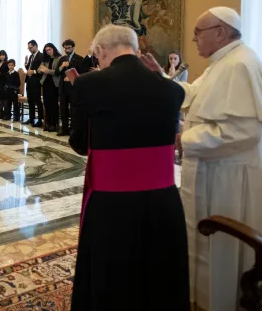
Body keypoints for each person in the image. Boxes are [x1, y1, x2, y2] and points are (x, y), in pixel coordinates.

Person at [141, 7, 262, 311]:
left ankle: (229, 300)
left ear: (220, 32)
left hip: (234, 177)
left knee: (228, 246)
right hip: (222, 170)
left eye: (198, 32)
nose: (193, 39)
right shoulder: (223, 63)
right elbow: (191, 94)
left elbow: (243, 130)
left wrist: (185, 139)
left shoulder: (238, 65)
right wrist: (160, 77)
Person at [70, 25, 189, 310]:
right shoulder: (172, 89)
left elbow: (80, 145)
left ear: (100, 51)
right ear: (135, 49)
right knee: (158, 273)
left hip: (112, 203)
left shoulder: (88, 84)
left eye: (95, 55)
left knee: (113, 278)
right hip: (164, 201)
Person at [56, 39, 84, 136]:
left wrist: (70, 65)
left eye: (69, 48)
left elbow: (82, 73)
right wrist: (61, 67)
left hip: (73, 88)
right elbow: (56, 73)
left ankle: (73, 130)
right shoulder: (62, 59)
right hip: (63, 88)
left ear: (73, 47)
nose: (67, 50)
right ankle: (64, 129)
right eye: (65, 48)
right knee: (63, 109)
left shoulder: (80, 59)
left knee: (73, 110)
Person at [38, 43, 62, 132]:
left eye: (50, 49)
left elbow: (58, 72)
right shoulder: (45, 59)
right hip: (46, 83)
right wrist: (41, 70)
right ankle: (47, 123)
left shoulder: (59, 58)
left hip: (55, 83)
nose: (48, 52)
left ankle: (54, 124)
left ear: (54, 49)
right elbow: (39, 69)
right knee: (47, 104)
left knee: (53, 105)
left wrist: (48, 71)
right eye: (46, 50)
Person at [24, 40, 44, 127]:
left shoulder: (41, 56)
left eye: (31, 48)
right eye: (28, 48)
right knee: (30, 100)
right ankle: (31, 118)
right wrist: (26, 63)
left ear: (36, 46)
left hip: (37, 81)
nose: (29, 49)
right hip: (29, 81)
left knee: (37, 101)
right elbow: (29, 69)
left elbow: (42, 69)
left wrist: (34, 71)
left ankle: (40, 119)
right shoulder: (31, 56)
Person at [0, 50, 9, 118]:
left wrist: (1, 74)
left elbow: (8, 73)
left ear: (5, 56)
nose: (2, 56)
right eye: (0, 55)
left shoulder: (7, 63)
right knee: (0, 97)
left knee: (5, 97)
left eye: (3, 55)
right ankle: (0, 113)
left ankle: (6, 113)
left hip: (5, 82)